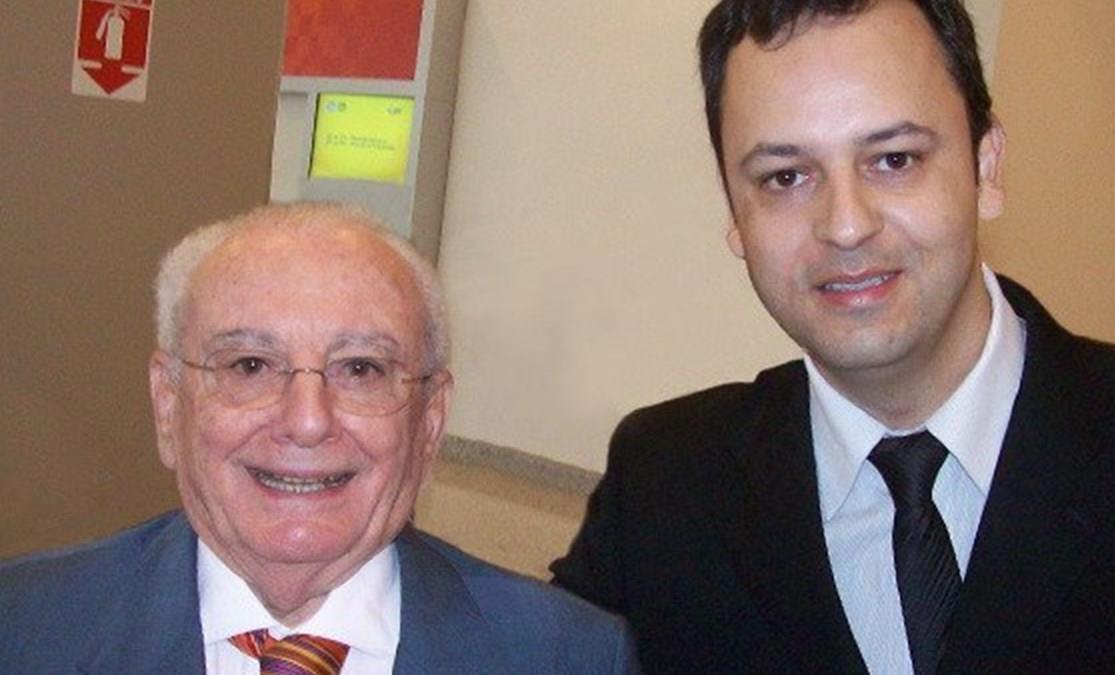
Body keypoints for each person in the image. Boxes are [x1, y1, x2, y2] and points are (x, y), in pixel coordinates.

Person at [551, 1, 1115, 673]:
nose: (846, 226)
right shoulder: (663, 487)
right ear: (735, 215)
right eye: (785, 177)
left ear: (986, 166)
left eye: (894, 159)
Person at [0, 202, 638, 674]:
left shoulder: (569, 657)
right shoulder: (21, 630)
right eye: (250, 366)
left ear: (430, 422)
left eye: (360, 370)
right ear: (168, 407)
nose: (308, 421)